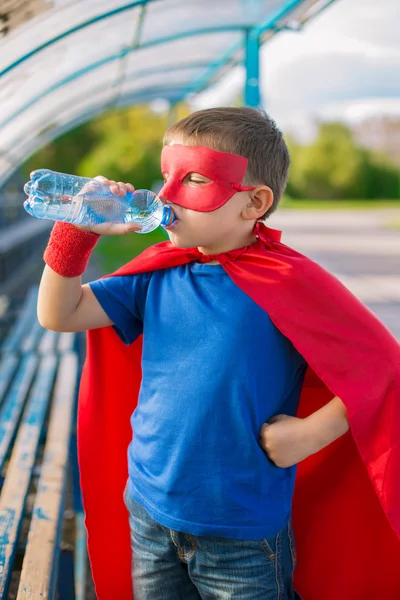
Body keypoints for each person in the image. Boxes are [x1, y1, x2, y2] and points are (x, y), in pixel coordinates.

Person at [37, 107, 400, 600]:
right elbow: (60, 314)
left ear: (254, 202)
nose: (165, 195)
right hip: (148, 510)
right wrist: (75, 232)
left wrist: (309, 435)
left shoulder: (291, 281)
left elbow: (381, 364)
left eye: (192, 179)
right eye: (165, 176)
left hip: (243, 534)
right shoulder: (156, 274)